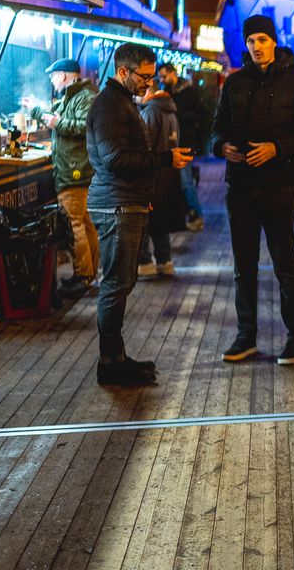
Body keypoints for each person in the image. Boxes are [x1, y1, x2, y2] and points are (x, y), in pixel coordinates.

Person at [211, 15, 294, 366]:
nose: (256, 46)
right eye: (251, 40)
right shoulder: (234, 83)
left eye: (262, 39)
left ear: (274, 41)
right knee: (244, 266)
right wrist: (220, 146)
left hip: (279, 186)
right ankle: (246, 336)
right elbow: (217, 127)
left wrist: (276, 148)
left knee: (284, 263)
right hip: (240, 186)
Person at [87, 44, 193, 386]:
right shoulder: (109, 106)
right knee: (116, 283)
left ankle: (117, 356)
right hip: (116, 203)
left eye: (151, 75)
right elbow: (116, 159)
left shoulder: (122, 103)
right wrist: (163, 159)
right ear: (123, 72)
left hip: (125, 201)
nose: (149, 83)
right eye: (144, 76)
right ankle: (110, 362)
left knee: (123, 282)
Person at [43, 58, 99, 293]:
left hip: (74, 170)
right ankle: (89, 274)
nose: (51, 80)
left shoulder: (84, 96)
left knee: (76, 224)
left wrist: (56, 122)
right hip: (77, 168)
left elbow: (84, 127)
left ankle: (84, 276)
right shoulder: (77, 94)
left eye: (53, 76)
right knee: (85, 223)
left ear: (64, 75)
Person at [136, 85, 183, 278]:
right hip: (168, 174)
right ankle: (165, 261)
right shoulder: (170, 110)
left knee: (144, 221)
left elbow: (144, 145)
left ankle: (145, 262)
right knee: (160, 220)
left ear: (149, 92)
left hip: (152, 173)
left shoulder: (150, 111)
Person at [158, 63, 207, 231]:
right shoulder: (165, 91)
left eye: (164, 76)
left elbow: (201, 114)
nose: (162, 79)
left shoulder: (189, 92)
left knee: (186, 182)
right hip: (170, 143)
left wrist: (178, 114)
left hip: (185, 142)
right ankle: (187, 215)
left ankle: (197, 215)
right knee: (177, 182)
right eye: (161, 77)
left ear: (173, 73)